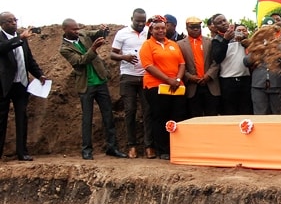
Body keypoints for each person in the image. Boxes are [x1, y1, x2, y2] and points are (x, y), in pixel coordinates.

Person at [59, 19, 127, 160]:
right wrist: (93, 49)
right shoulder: (64, 48)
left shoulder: (83, 34)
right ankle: (87, 150)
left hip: (100, 80)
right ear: (65, 30)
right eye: (73, 30)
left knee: (108, 116)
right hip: (86, 85)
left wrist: (103, 30)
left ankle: (112, 147)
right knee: (87, 118)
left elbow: (96, 33)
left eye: (78, 29)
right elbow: (80, 61)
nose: (77, 32)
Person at [138, 15, 186, 160]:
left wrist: (177, 79)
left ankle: (177, 148)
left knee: (178, 116)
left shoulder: (173, 44)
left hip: (176, 86)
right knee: (160, 117)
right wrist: (167, 80)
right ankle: (163, 149)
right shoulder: (147, 45)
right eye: (157, 28)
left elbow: (182, 64)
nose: (161, 30)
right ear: (151, 30)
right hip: (156, 86)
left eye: (163, 28)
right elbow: (148, 66)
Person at [0, 12, 46, 161]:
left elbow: (29, 60)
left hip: (21, 85)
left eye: (15, 20)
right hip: (4, 86)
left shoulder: (22, 39)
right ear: (2, 24)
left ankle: (22, 152)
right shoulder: (14, 38)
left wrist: (39, 75)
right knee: (2, 120)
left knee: (22, 118)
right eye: (10, 21)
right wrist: (20, 38)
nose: (14, 23)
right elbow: (3, 48)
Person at [110, 8, 154, 158]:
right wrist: (124, 57)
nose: (141, 24)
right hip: (128, 76)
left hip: (146, 76)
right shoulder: (122, 33)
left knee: (148, 110)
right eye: (138, 21)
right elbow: (112, 54)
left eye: (143, 21)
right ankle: (132, 145)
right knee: (130, 110)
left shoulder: (149, 31)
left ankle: (149, 146)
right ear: (132, 19)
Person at [245, 19, 281, 115]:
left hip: (277, 85)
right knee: (260, 115)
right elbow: (246, 62)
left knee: (278, 115)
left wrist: (275, 48)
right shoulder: (255, 44)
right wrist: (258, 50)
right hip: (259, 86)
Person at [177, 16, 220, 118]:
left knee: (212, 117)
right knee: (194, 117)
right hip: (192, 86)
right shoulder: (179, 45)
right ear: (187, 28)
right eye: (193, 27)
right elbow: (180, 64)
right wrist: (189, 77)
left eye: (198, 27)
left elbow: (216, 61)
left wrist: (208, 75)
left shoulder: (210, 41)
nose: (196, 29)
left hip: (210, 84)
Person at [211, 15, 252, 115]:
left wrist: (244, 39)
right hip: (228, 81)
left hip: (245, 79)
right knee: (230, 113)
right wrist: (225, 40)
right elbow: (218, 58)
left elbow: (252, 49)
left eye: (224, 20)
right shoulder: (216, 40)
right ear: (215, 28)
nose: (223, 23)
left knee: (246, 112)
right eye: (220, 22)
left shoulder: (240, 35)